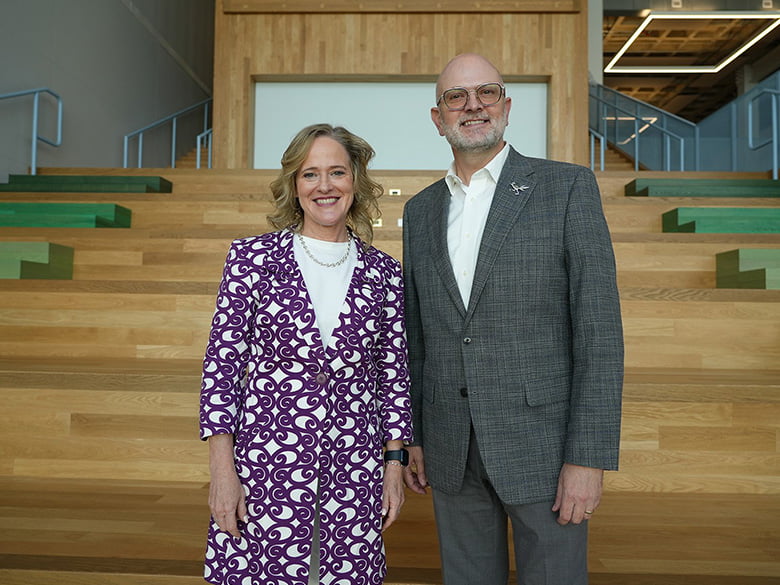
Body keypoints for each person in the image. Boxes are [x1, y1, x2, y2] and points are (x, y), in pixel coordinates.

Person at [401, 53, 624, 585]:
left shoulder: (566, 188)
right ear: (438, 117)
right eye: (456, 96)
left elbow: (599, 332)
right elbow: (417, 336)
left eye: (487, 92)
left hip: (544, 452)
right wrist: (416, 435)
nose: (472, 105)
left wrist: (587, 458)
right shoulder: (420, 210)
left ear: (506, 105)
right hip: (451, 451)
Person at [199, 123, 414, 585]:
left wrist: (393, 466)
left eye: (337, 172)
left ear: (355, 182)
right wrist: (222, 472)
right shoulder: (251, 259)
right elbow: (222, 370)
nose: (324, 186)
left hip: (354, 465)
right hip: (265, 465)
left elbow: (393, 377)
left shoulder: (384, 273)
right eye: (310, 174)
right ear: (294, 186)